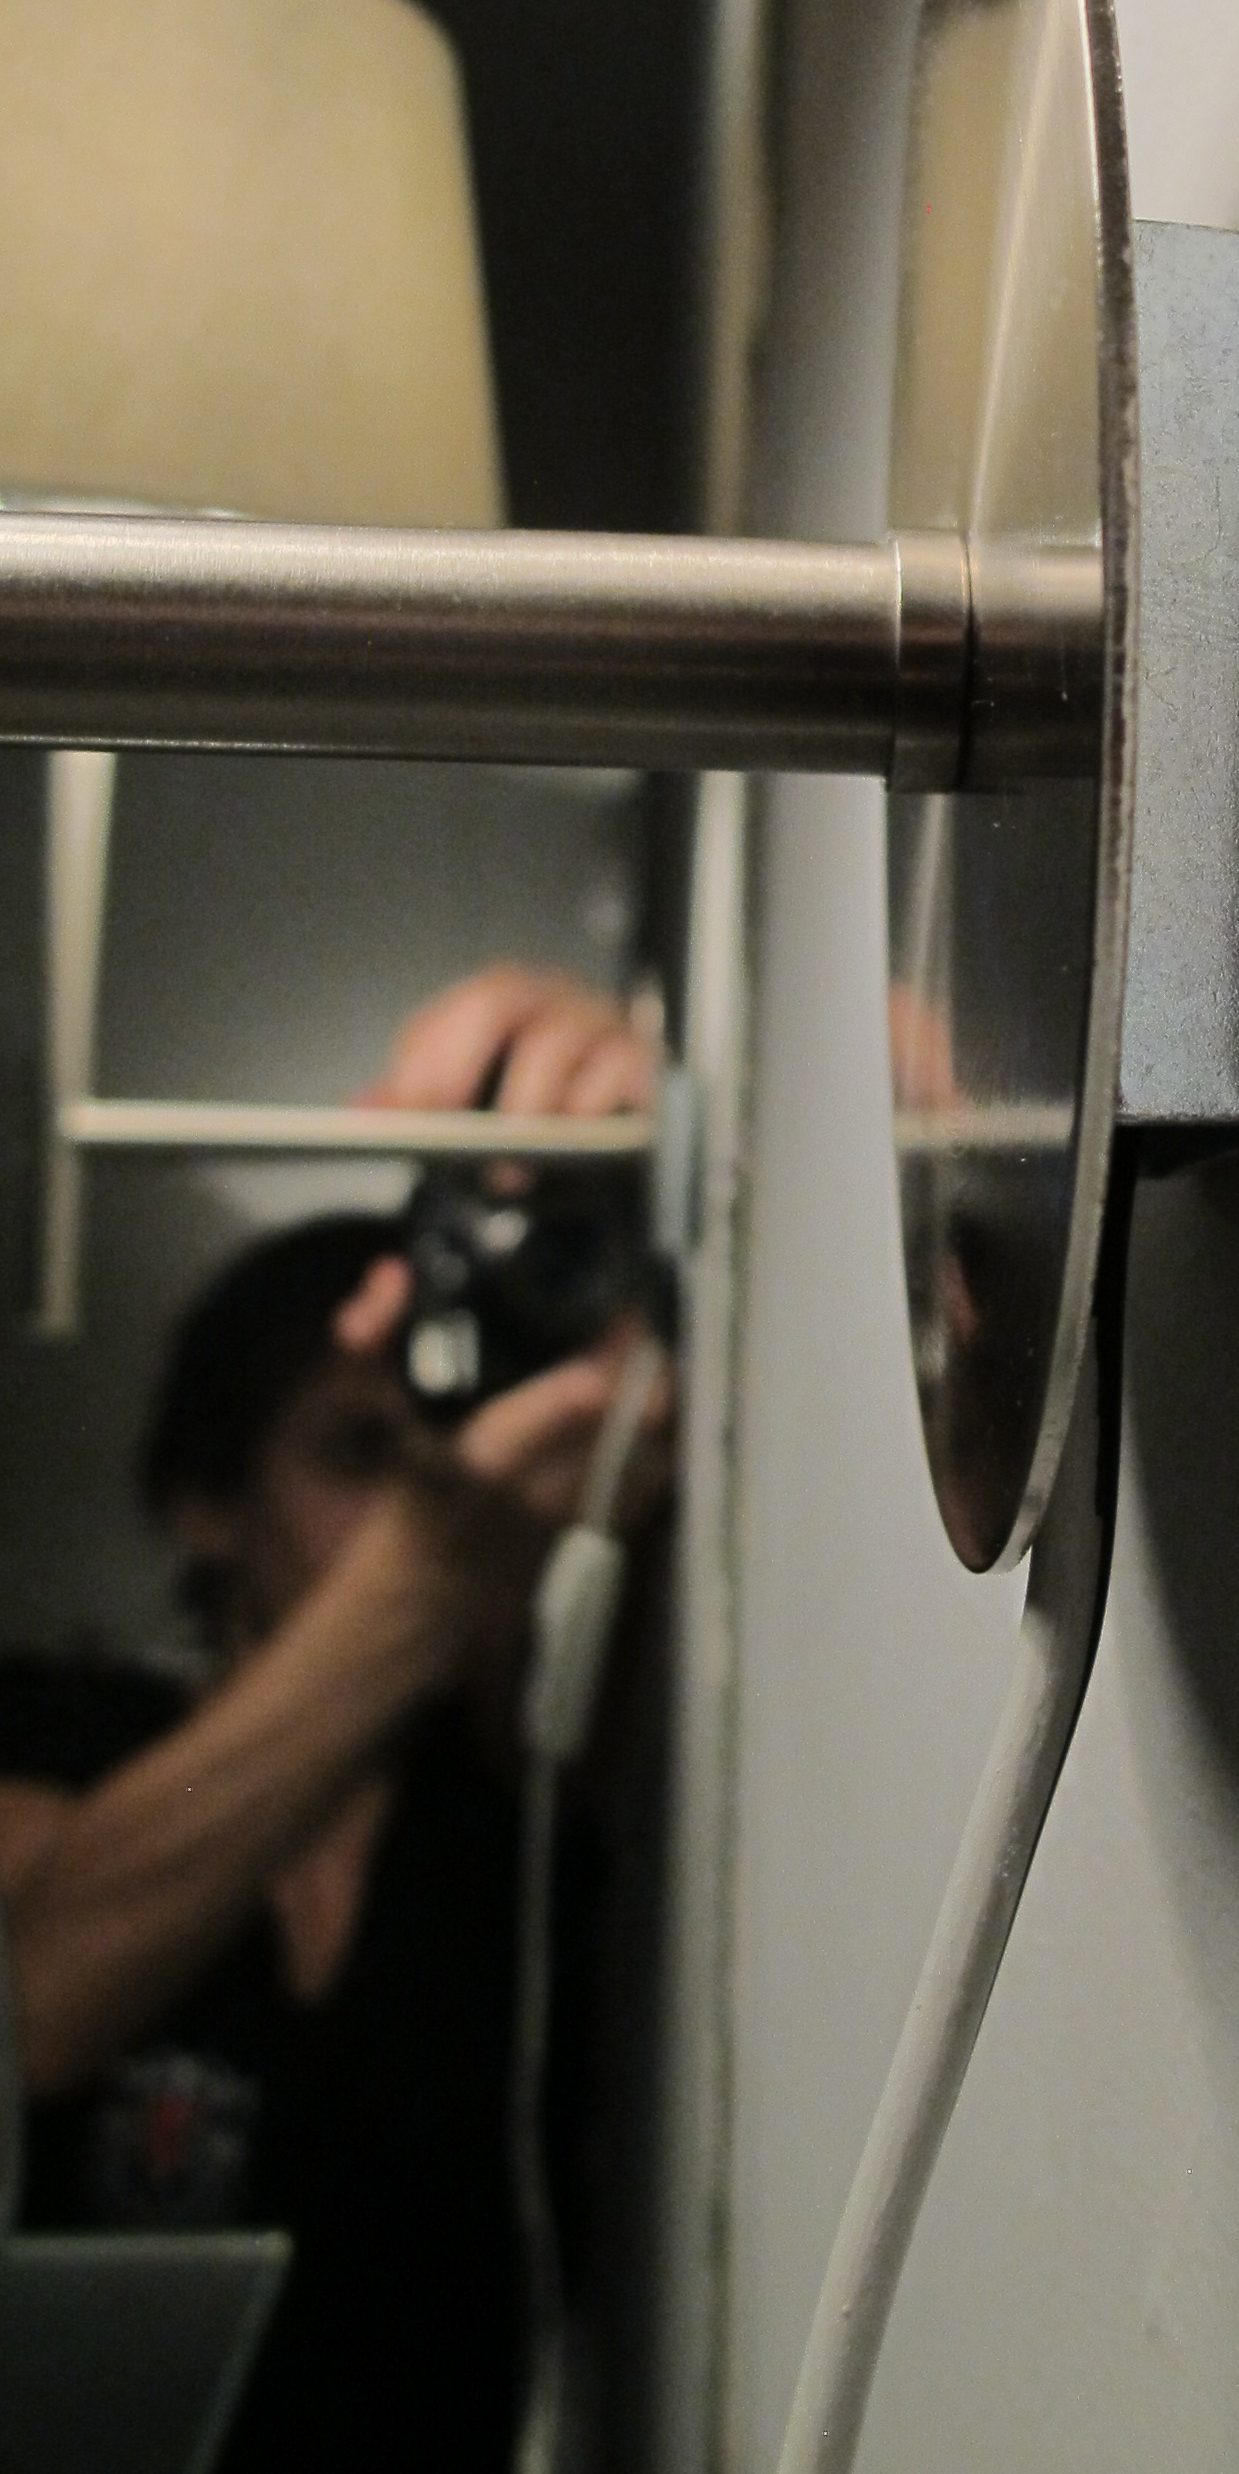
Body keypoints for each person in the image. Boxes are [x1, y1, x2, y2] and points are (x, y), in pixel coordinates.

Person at [0, 966, 667, 2474]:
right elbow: (31, 1999)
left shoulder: (511, 1796)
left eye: (433, 1439)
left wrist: (609, 1140)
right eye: (355, 1451)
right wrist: (425, 1574)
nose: (403, 1493)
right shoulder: (76, 1736)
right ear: (208, 1501)